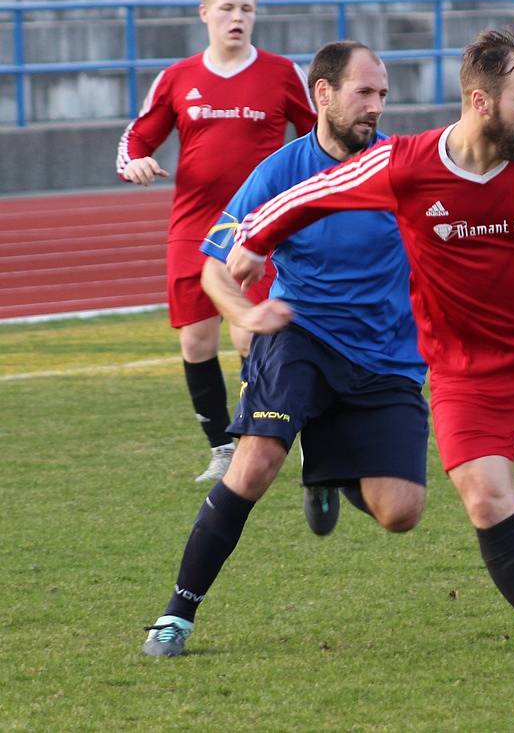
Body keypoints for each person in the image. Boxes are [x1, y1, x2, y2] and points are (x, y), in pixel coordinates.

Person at [227, 29, 514, 680]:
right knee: (486, 500)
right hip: (464, 370)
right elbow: (315, 192)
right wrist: (254, 239)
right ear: (481, 102)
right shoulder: (409, 163)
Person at [142, 41, 429, 657]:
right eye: (364, 93)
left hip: (385, 354)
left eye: (382, 95)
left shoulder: (401, 167)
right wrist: (246, 313)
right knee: (255, 462)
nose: (376, 107)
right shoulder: (279, 173)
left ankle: (324, 474)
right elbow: (215, 267)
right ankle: (176, 615)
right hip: (299, 333)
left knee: (401, 512)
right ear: (323, 95)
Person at [116, 0, 315, 483]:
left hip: (261, 226)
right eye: (227, 8)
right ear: (205, 13)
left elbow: (320, 137)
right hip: (194, 225)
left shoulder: (280, 73)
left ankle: (273, 432)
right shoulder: (178, 77)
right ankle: (221, 449)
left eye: (246, 9)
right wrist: (134, 161)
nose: (237, 18)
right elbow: (138, 136)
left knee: (254, 336)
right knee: (196, 343)